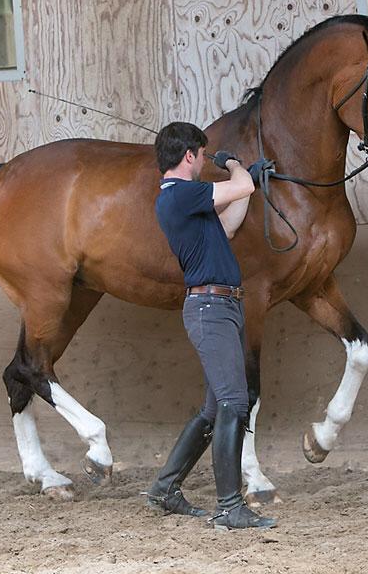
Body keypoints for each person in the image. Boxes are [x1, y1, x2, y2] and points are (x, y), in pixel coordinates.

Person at [146, 121, 277, 530]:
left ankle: (165, 488)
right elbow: (239, 188)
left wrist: (246, 182)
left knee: (213, 408)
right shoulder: (181, 193)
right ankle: (229, 506)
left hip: (220, 307)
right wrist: (237, 166)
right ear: (189, 156)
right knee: (234, 403)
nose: (205, 162)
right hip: (210, 308)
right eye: (202, 156)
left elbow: (230, 223)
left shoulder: (188, 203)